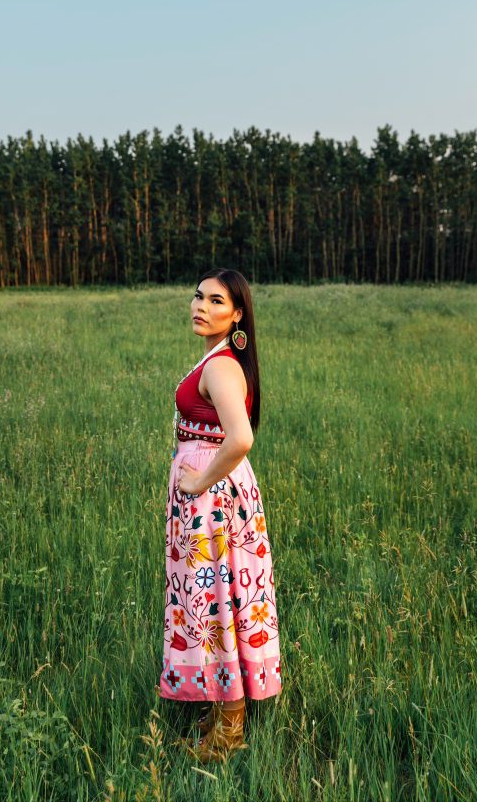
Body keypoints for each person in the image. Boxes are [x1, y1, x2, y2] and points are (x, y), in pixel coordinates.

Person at [158, 267, 283, 763]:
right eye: (197, 296)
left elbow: (241, 438)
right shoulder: (216, 358)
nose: (200, 306)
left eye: (215, 301)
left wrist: (197, 481)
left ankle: (231, 726)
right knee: (215, 597)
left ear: (236, 315)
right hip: (211, 497)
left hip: (213, 502)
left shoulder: (221, 366)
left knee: (215, 600)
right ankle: (223, 706)